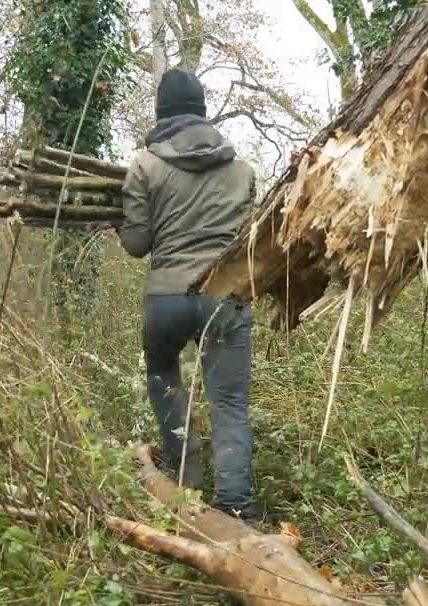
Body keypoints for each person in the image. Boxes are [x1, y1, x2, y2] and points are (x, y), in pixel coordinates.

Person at [119, 68, 262, 523]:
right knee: (230, 402)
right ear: (203, 113)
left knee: (164, 378)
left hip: (166, 298)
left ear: (161, 115)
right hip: (225, 296)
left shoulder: (144, 165)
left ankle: (184, 483)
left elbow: (137, 245)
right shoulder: (242, 171)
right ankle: (236, 504)